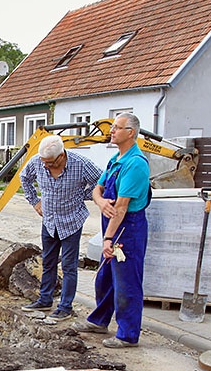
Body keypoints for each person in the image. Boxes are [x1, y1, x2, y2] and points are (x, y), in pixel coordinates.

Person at [72, 113, 151, 348]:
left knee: (127, 283)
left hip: (128, 228)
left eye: (117, 127)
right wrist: (100, 201)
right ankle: (99, 320)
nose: (112, 131)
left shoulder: (135, 164)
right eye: (113, 127)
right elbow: (97, 188)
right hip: (113, 224)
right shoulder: (116, 159)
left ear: (131, 133)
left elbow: (122, 206)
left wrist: (108, 239)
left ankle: (127, 334)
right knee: (105, 279)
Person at [20, 134, 101, 319]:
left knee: (69, 265)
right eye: (44, 162)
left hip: (71, 221)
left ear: (61, 156)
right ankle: (45, 299)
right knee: (48, 262)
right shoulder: (37, 162)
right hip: (49, 221)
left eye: (50, 163)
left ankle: (65, 307)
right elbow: (24, 178)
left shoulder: (80, 164)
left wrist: (84, 195)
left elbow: (101, 180)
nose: (46, 166)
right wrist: (35, 202)